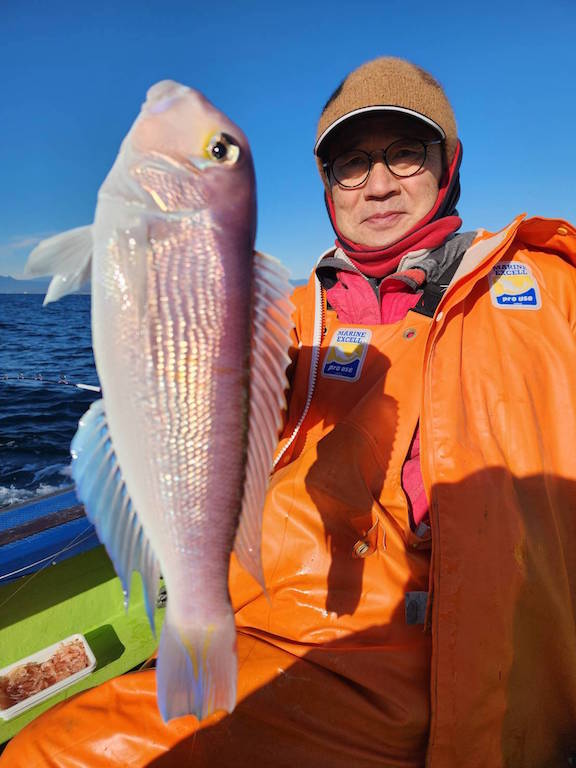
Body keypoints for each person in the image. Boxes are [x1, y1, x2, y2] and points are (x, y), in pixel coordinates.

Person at [3, 57, 576, 768]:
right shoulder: (283, 318)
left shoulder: (551, 286)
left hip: (459, 666)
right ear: (326, 182)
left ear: (447, 164)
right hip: (262, 629)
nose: (378, 182)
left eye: (405, 152)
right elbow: (190, 420)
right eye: (350, 162)